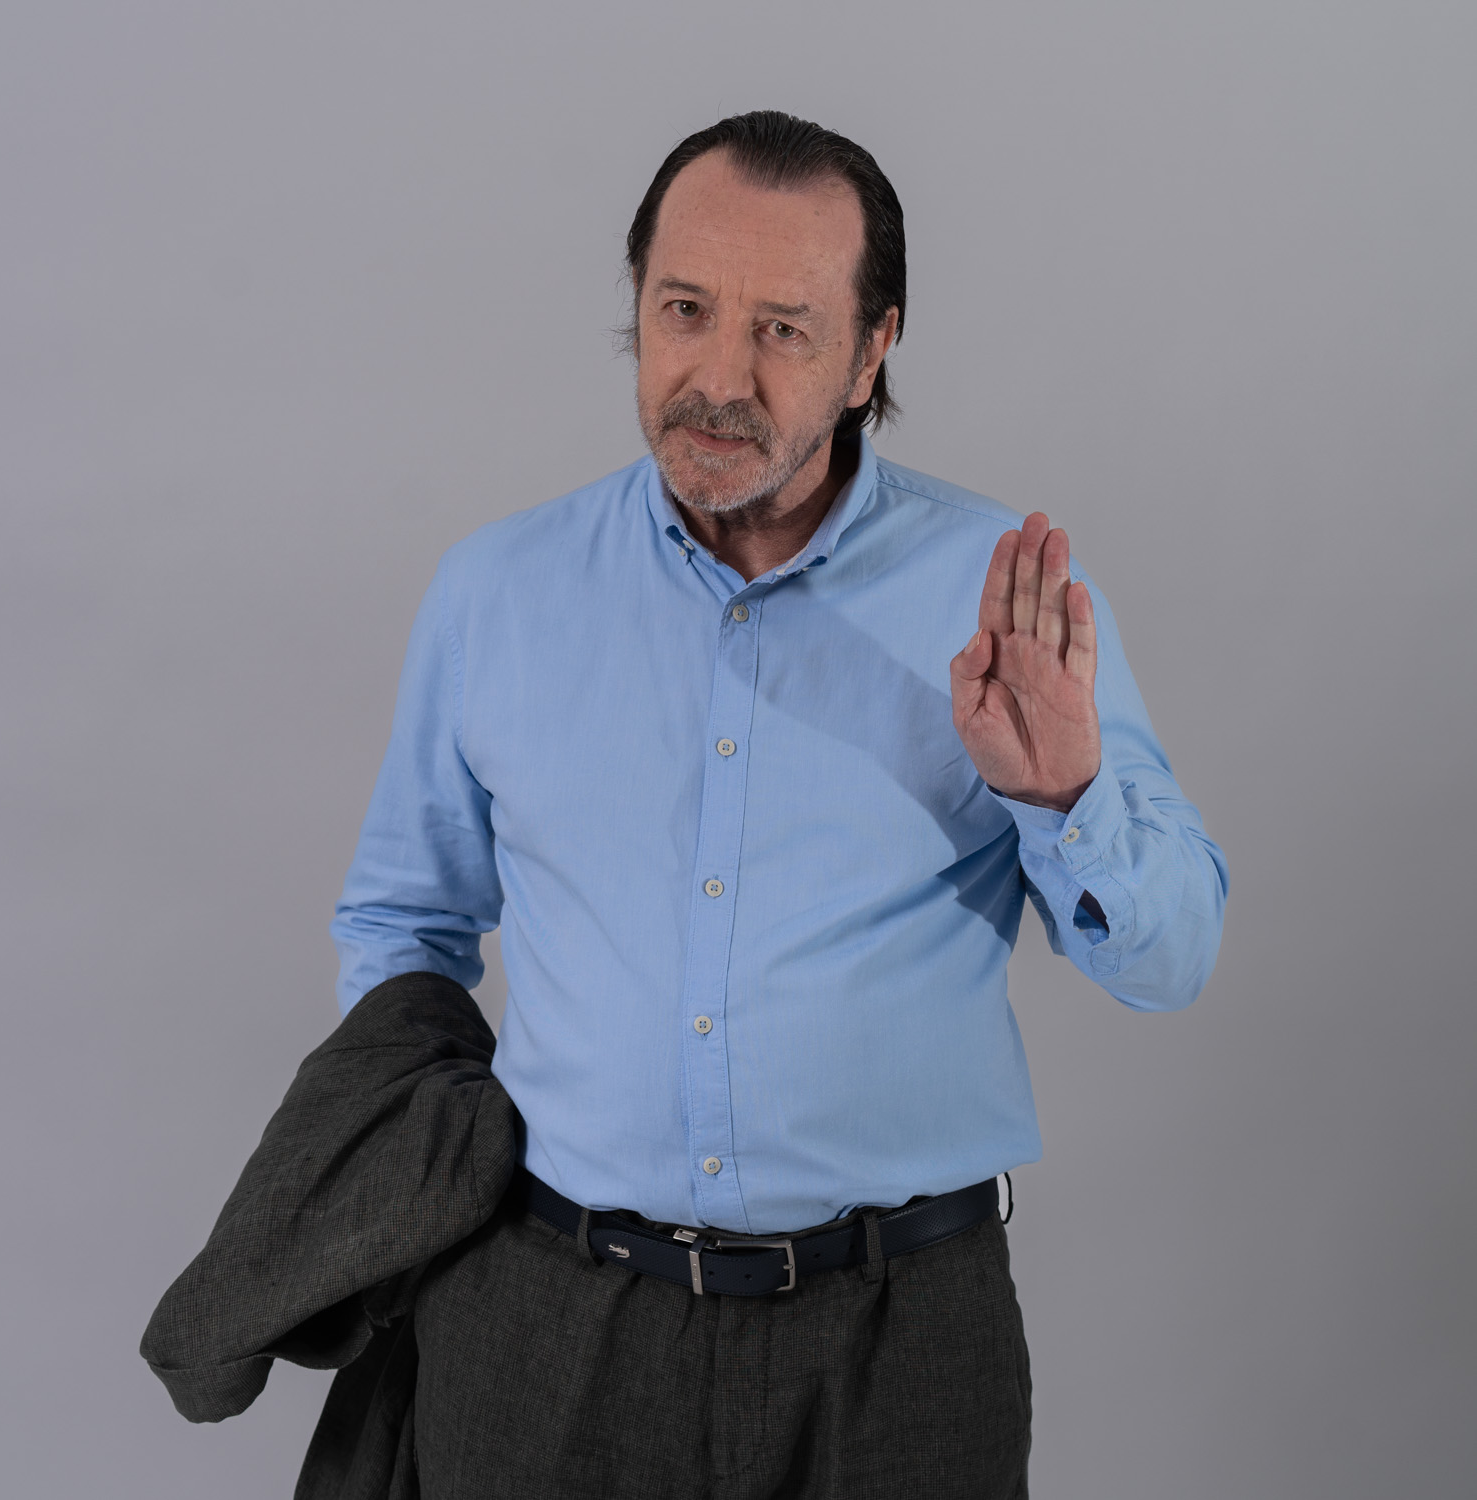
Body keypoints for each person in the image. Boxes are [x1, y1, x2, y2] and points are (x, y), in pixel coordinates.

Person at [147, 110, 1227, 1499]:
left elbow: (1171, 962)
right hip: (544, 1320)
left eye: (783, 328)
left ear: (873, 350)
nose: (719, 376)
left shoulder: (1005, 604)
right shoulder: (500, 593)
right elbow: (404, 924)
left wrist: (1066, 794)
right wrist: (433, 1164)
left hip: (899, 1341)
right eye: (684, 310)